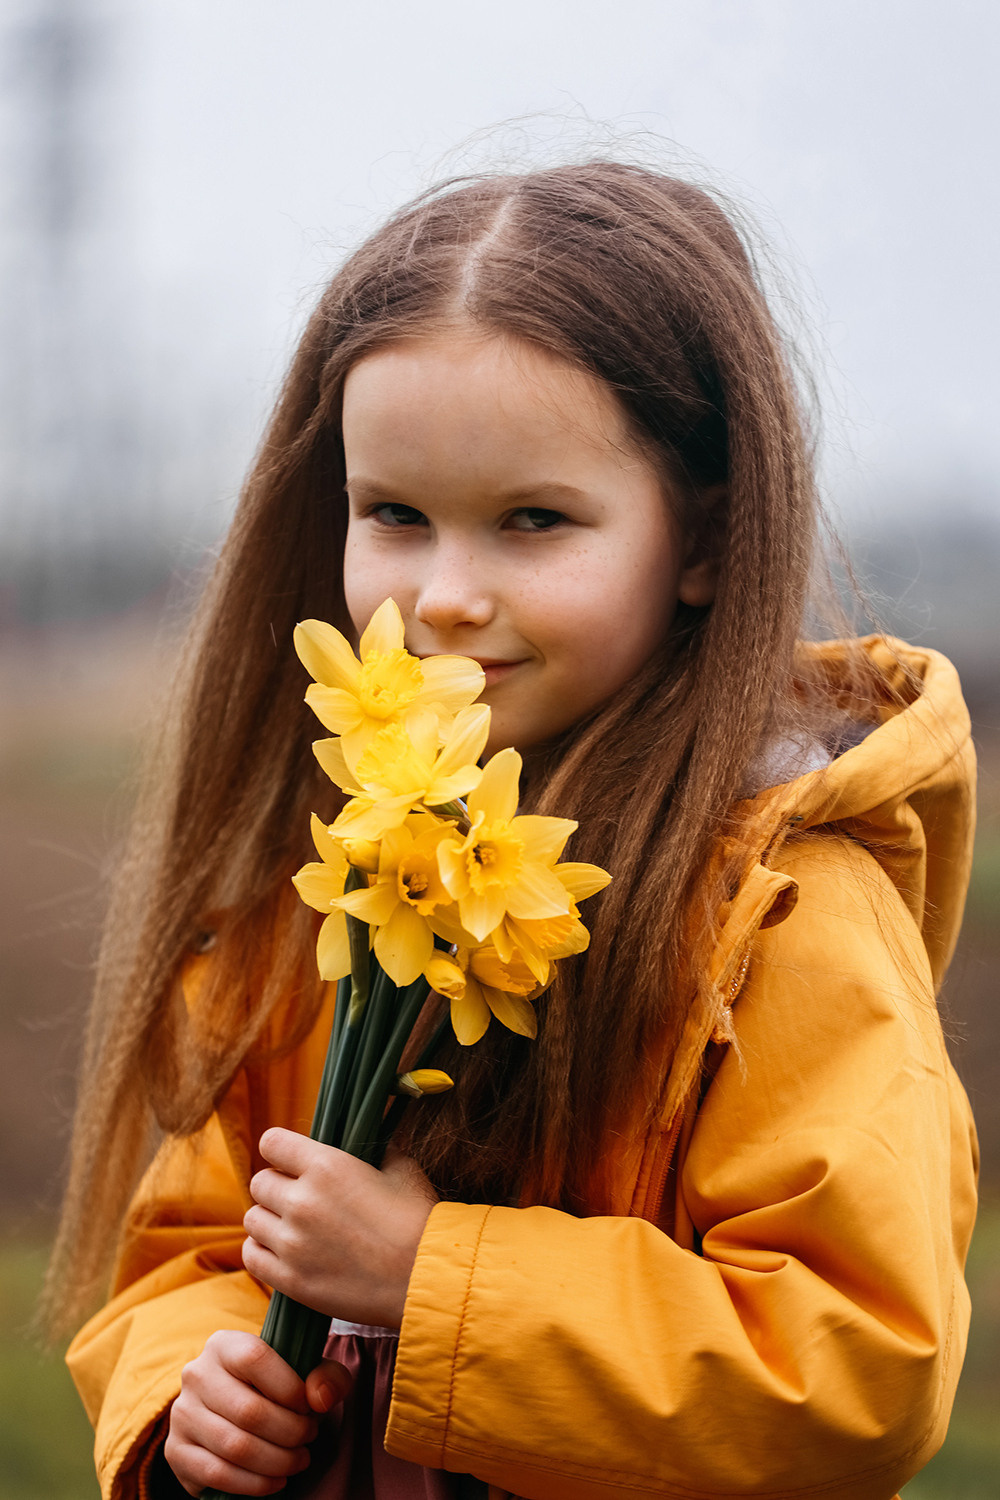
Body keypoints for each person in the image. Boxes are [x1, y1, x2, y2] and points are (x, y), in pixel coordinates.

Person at [50, 162, 978, 1500]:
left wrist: (432, 1287)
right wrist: (191, 1392)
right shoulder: (325, 882)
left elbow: (858, 1366)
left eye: (534, 522)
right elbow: (199, 1243)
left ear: (702, 537)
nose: (445, 597)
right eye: (396, 517)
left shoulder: (787, 923)